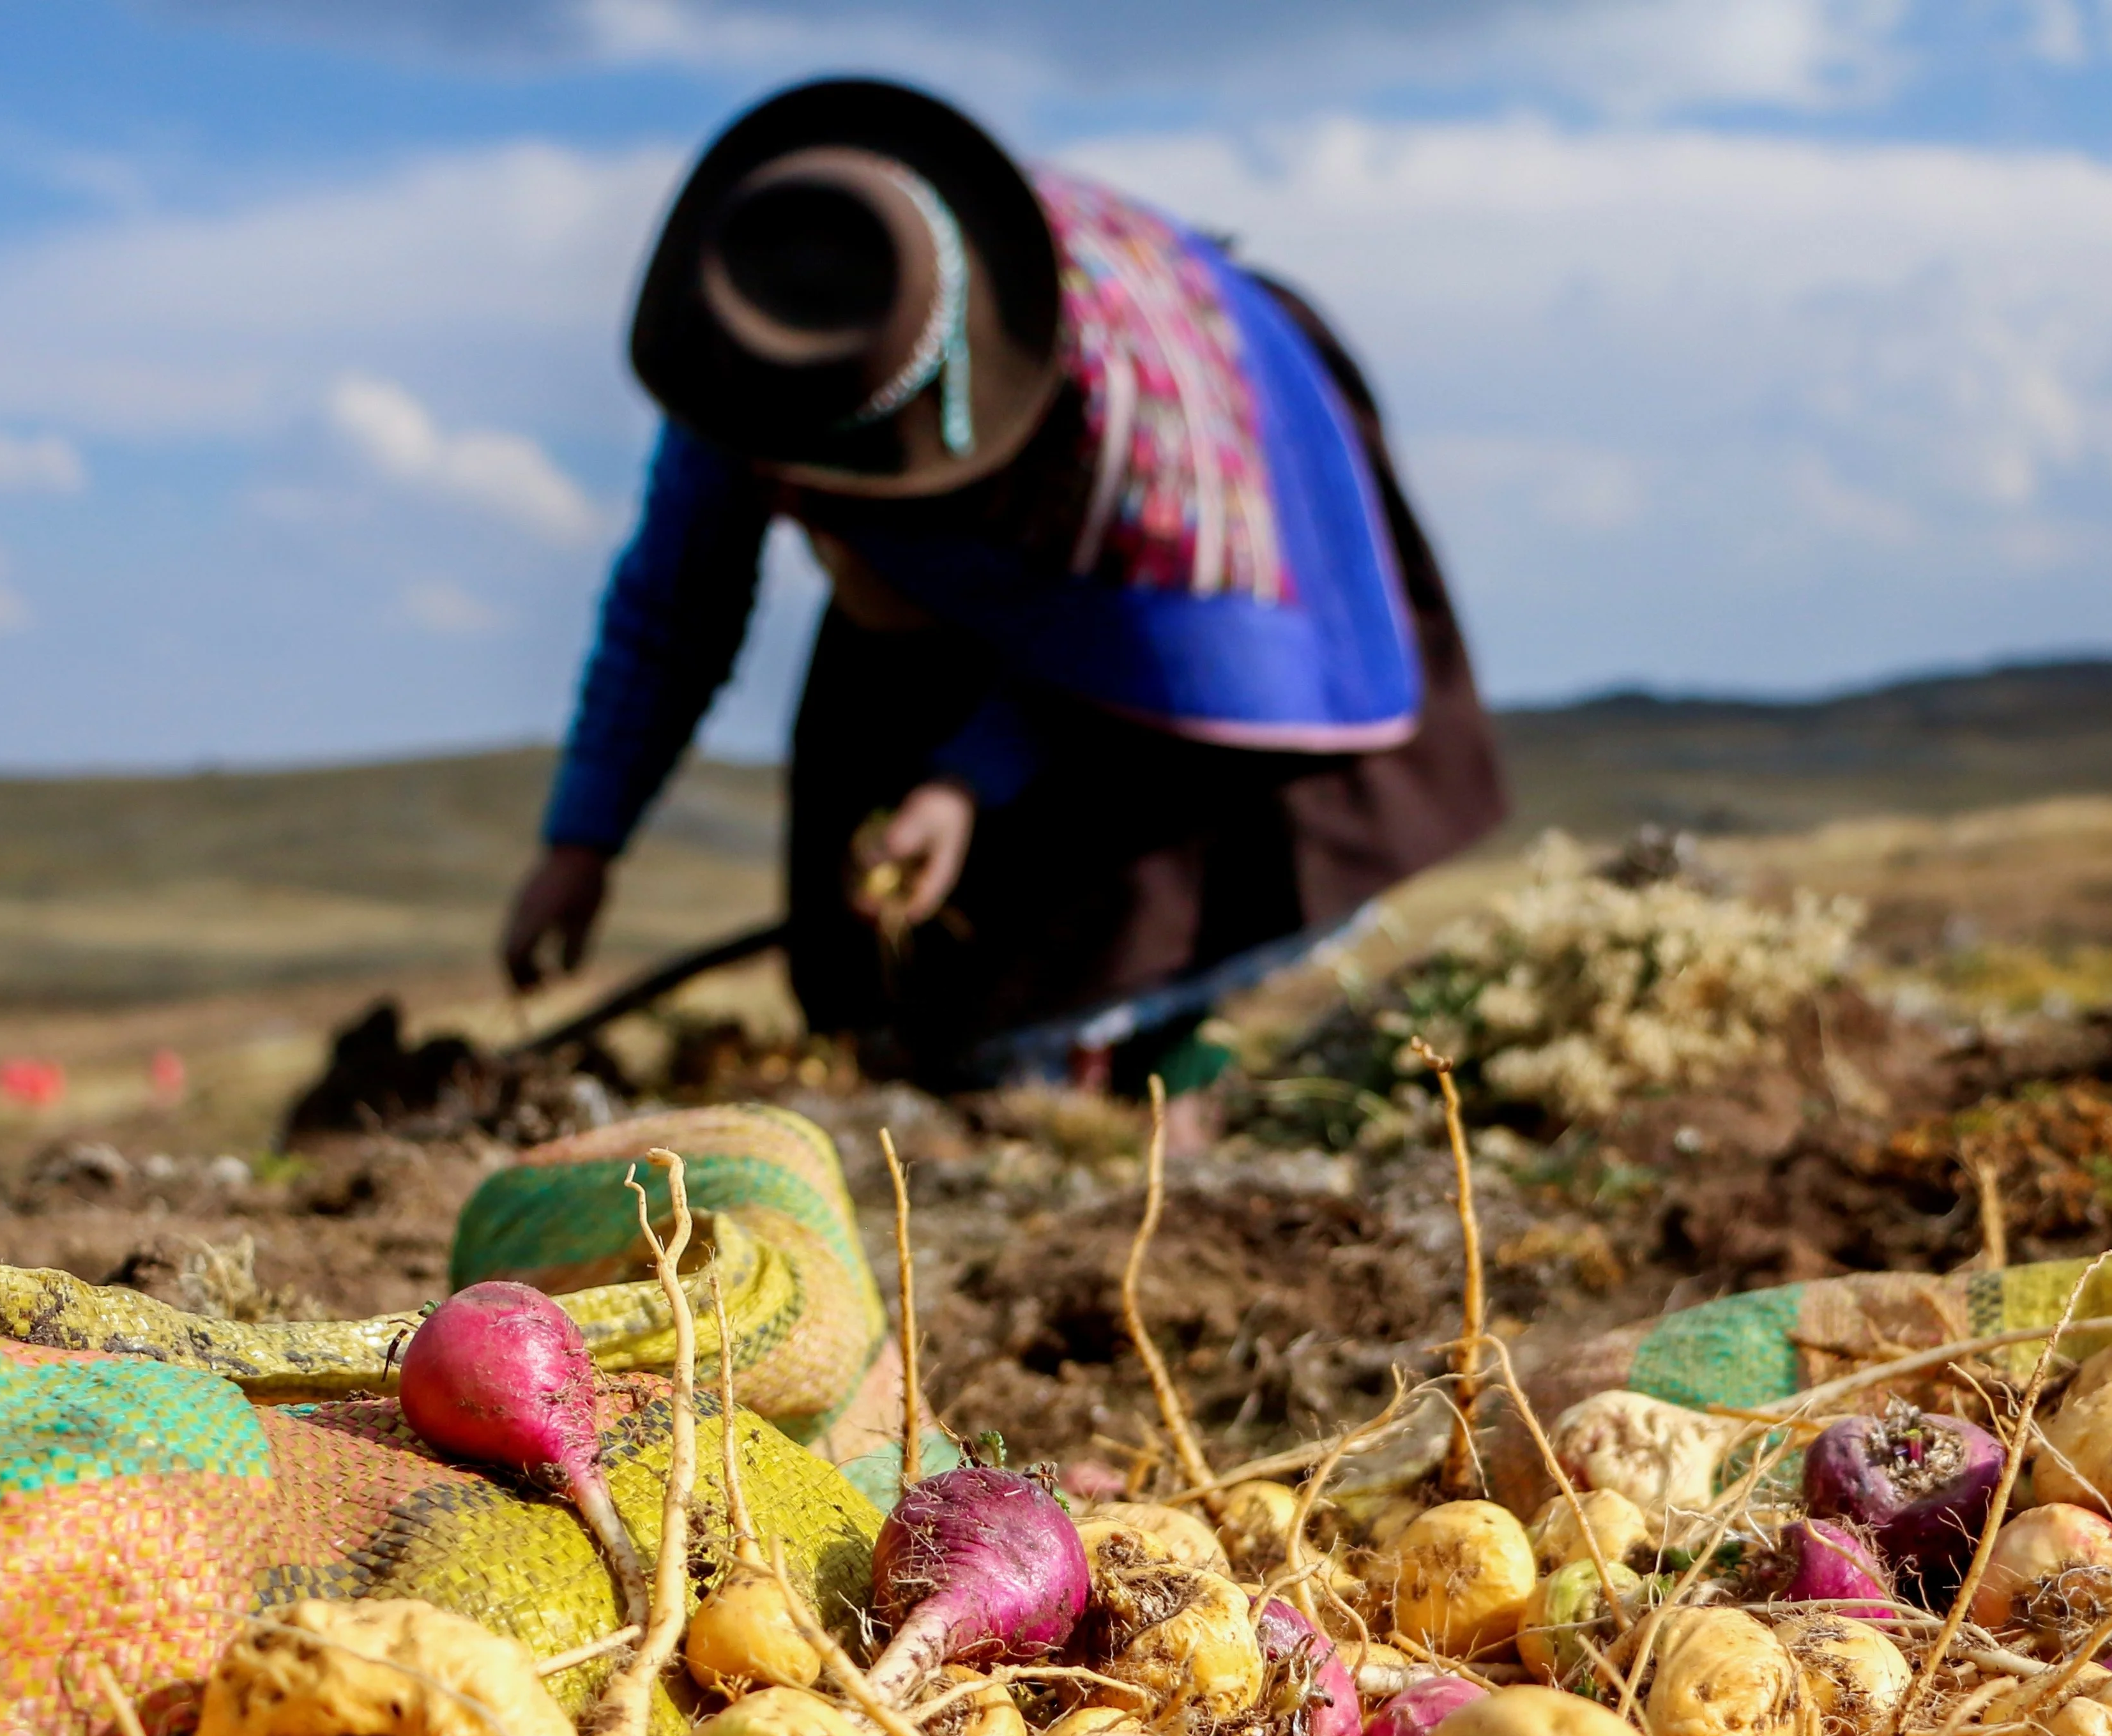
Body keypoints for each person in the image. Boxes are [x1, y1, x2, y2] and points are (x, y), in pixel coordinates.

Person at [500, 77, 1505, 1092]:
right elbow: (676, 608)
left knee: (1127, 903)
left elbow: (1133, 644)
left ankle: (1156, 1063)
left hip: (1157, 580)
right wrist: (582, 841)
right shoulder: (760, 340)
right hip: (929, 581)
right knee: (872, 962)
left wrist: (967, 778)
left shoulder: (1115, 417)